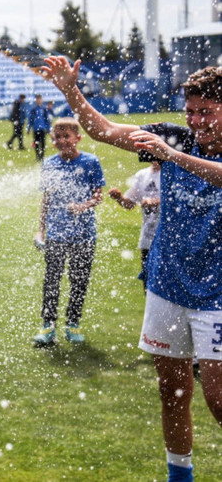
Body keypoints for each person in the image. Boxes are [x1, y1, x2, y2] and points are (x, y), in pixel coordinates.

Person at [42, 56, 222, 482]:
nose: (196, 121)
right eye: (191, 111)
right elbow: (104, 130)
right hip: (167, 283)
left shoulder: (172, 149)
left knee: (217, 398)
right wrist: (71, 90)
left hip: (216, 292)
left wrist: (171, 157)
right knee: (172, 391)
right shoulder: (174, 136)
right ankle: (180, 477)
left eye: (207, 112)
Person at [33, 118, 104, 346]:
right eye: (58, 137)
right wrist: (40, 231)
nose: (62, 141)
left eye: (67, 137)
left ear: (78, 138)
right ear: (53, 140)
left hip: (84, 234)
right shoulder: (50, 164)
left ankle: (73, 323)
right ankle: (47, 326)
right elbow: (45, 199)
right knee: (51, 281)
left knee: (78, 280)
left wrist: (83, 206)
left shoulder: (91, 162)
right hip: (56, 234)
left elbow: (98, 196)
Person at [107, 161, 161, 289]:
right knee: (148, 286)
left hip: (168, 239)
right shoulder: (143, 175)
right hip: (148, 239)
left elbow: (178, 199)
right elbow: (130, 204)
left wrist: (155, 201)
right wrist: (119, 197)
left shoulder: (172, 172)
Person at [28, 94, 53, 162]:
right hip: (36, 129)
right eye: (38, 99)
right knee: (36, 143)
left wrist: (48, 128)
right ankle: (37, 156)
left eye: (40, 99)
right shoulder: (33, 109)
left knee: (43, 143)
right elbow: (30, 119)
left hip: (42, 129)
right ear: (36, 100)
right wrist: (28, 128)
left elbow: (47, 120)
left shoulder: (44, 109)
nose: (39, 101)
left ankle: (42, 156)